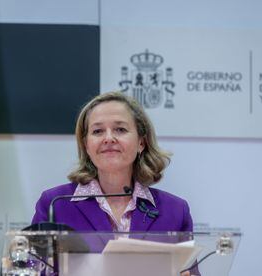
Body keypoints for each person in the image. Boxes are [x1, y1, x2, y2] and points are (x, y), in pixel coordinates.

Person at [32, 91, 196, 276]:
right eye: (97, 131)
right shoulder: (55, 204)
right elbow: (34, 270)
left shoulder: (175, 210)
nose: (108, 138)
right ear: (86, 145)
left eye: (120, 129)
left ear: (141, 142)